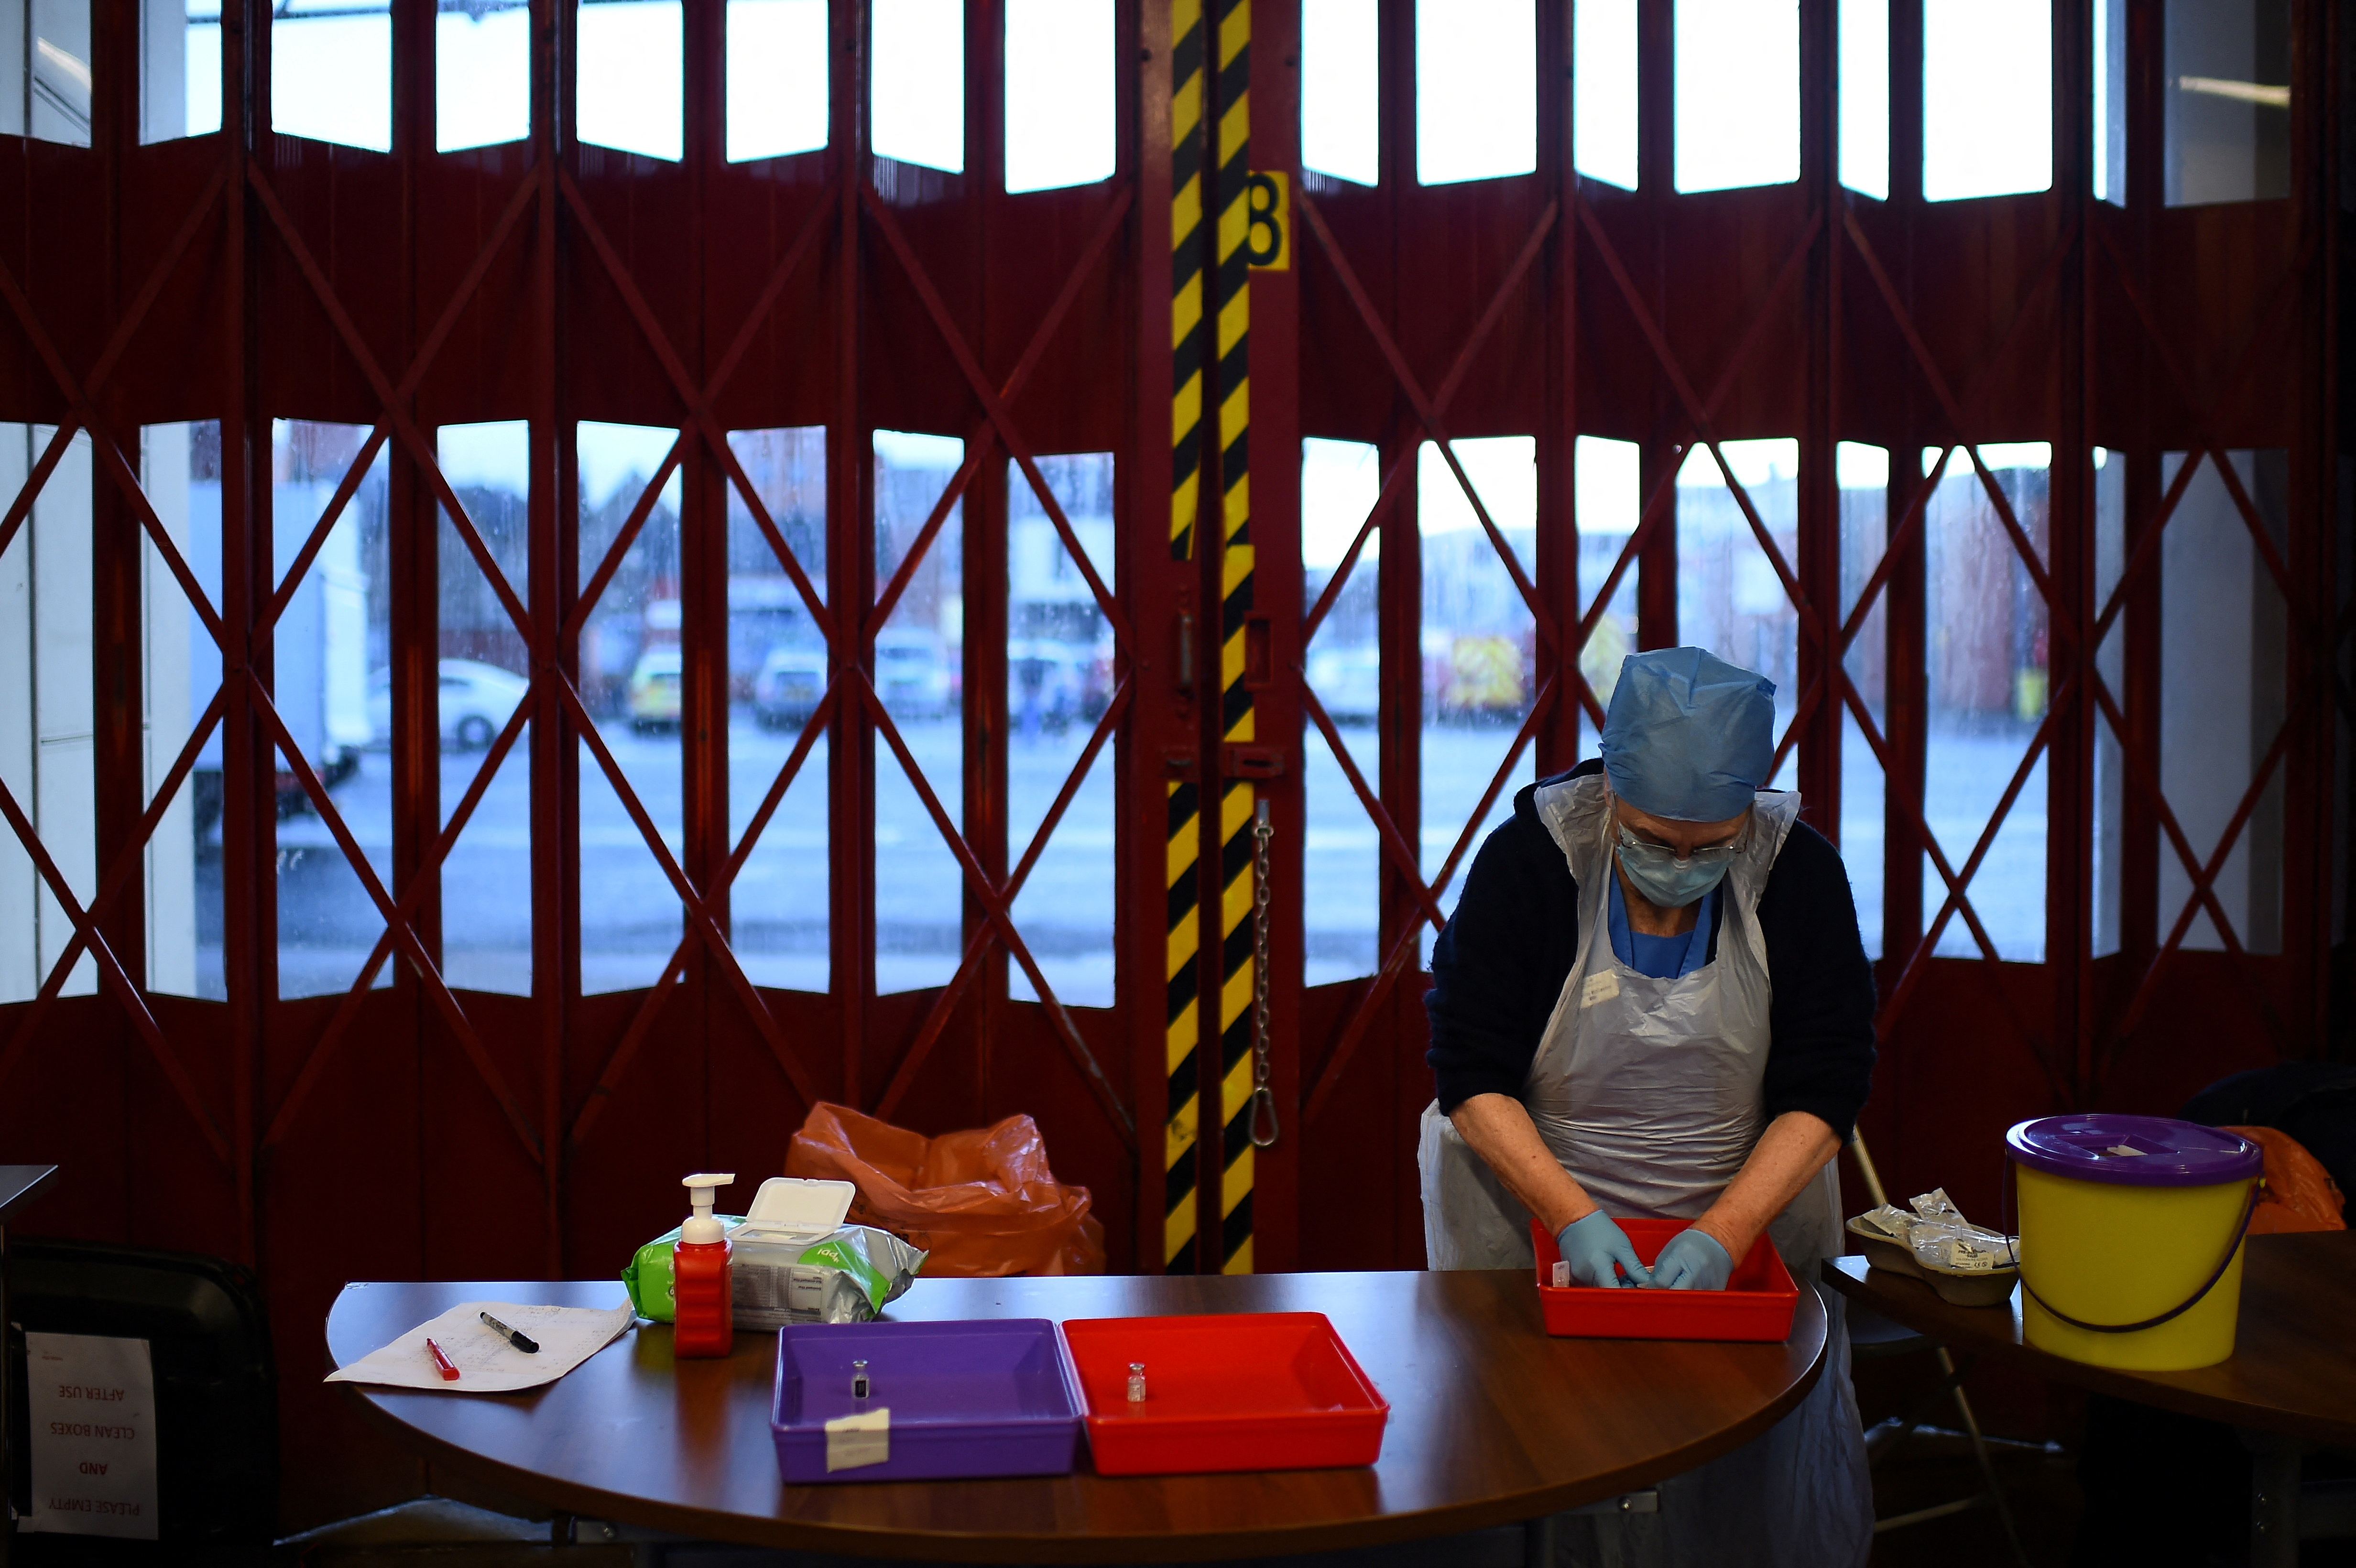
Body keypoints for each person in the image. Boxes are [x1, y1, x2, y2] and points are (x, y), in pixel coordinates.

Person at [1420, 646, 1876, 1568]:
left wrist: (1725, 1234)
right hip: (1539, 1218)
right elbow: (1471, 1075)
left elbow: (1827, 1086)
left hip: (1741, 1221)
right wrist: (1575, 1219)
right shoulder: (1532, 863)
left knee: (1737, 1491)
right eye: (1654, 840)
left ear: (1747, 812)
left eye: (1709, 847)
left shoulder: (1799, 876)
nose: (1679, 866)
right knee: (1551, 1468)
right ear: (1612, 790)